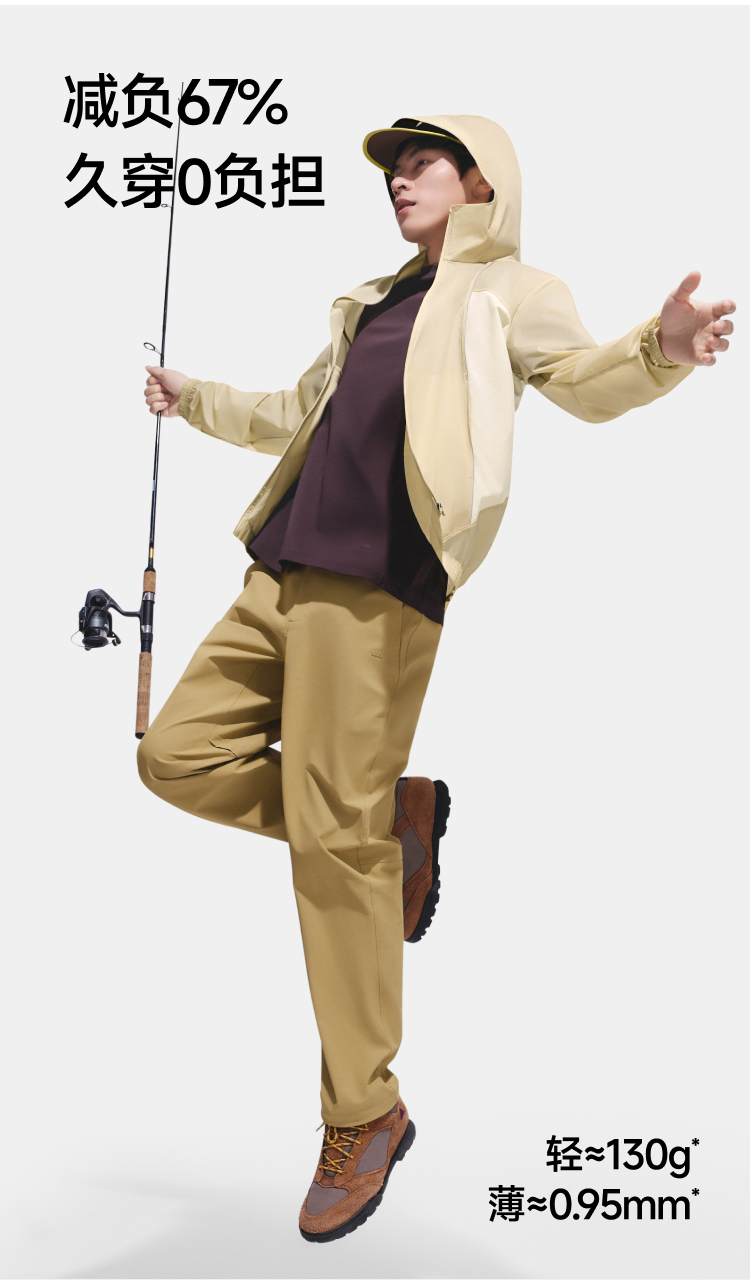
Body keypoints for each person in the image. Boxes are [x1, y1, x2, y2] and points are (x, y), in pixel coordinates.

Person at [137, 115, 735, 1243]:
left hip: (379, 588)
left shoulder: (511, 290)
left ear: (480, 183)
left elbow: (581, 378)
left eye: (422, 164)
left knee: (331, 846)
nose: (399, 181)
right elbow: (292, 417)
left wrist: (658, 349)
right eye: (393, 169)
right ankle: (390, 827)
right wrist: (192, 394)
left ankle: (364, 1110)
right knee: (173, 757)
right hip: (281, 574)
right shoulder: (371, 303)